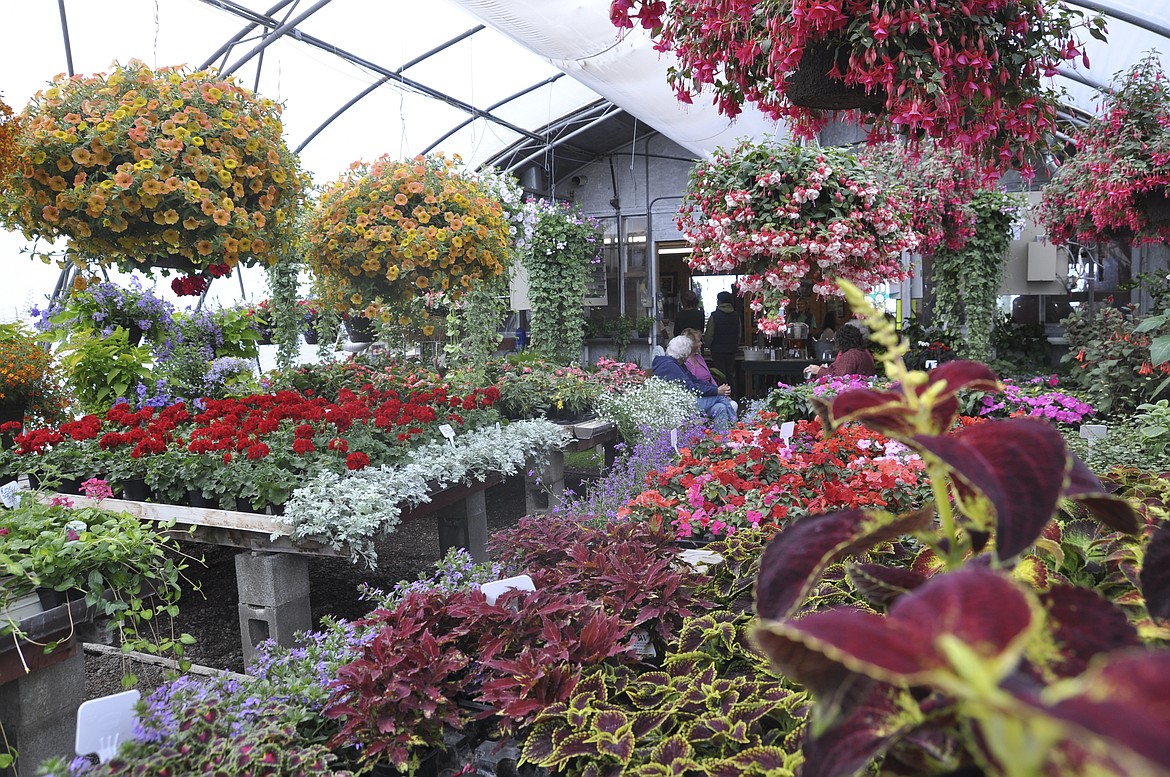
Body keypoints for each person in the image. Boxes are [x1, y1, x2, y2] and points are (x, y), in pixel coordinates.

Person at [652, 335, 737, 430]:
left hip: (687, 400)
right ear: (683, 354)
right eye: (687, 354)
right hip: (680, 405)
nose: (687, 357)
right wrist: (717, 391)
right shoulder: (670, 366)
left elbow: (695, 380)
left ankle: (721, 438)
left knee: (720, 407)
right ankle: (735, 427)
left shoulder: (675, 363)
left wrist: (716, 389)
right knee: (721, 398)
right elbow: (691, 388)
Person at [683, 328, 738, 416]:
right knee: (729, 404)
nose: (701, 343)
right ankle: (735, 425)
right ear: (691, 344)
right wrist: (719, 393)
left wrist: (719, 390)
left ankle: (722, 430)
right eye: (698, 341)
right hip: (699, 398)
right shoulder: (684, 362)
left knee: (722, 407)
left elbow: (710, 378)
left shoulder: (699, 358)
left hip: (710, 394)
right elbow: (693, 386)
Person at [804, 324, 876, 380]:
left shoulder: (850, 355)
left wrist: (819, 371)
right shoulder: (863, 352)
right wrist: (826, 369)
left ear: (842, 341)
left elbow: (839, 378)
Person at [704, 291, 741, 396]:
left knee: (719, 373)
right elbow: (739, 334)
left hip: (717, 349)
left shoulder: (714, 316)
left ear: (719, 301)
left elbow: (709, 334)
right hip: (732, 349)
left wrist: (708, 345)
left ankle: (722, 395)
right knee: (730, 373)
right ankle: (733, 395)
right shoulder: (736, 315)